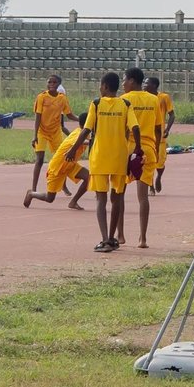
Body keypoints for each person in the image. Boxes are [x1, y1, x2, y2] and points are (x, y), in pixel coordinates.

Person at [84, 71, 139, 253]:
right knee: (117, 198)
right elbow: (135, 127)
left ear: (105, 86)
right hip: (119, 157)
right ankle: (112, 238)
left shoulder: (96, 104)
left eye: (101, 85)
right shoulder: (125, 104)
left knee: (101, 199)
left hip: (99, 157)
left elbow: (86, 130)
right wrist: (138, 148)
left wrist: (72, 149)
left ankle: (104, 239)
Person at [119, 68, 163, 249]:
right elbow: (158, 128)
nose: (123, 83)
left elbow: (123, 128)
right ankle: (142, 238)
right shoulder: (154, 99)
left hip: (128, 148)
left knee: (119, 193)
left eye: (124, 80)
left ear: (131, 81)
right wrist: (156, 148)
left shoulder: (123, 99)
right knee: (143, 197)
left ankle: (120, 235)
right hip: (148, 149)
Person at [27, 118, 92, 210]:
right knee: (50, 198)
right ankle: (31, 194)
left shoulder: (85, 134)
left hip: (70, 165)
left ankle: (73, 202)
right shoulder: (78, 134)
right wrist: (92, 142)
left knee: (89, 177)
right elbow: (78, 141)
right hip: (57, 167)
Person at [29, 74, 72, 195]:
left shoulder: (62, 98)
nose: (51, 84)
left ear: (59, 84)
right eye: (49, 82)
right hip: (42, 132)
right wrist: (35, 135)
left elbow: (69, 114)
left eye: (54, 82)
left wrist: (84, 120)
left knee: (61, 159)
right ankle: (33, 188)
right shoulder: (41, 97)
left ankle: (63, 185)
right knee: (40, 160)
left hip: (55, 132)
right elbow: (38, 116)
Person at [149, 75, 175, 193]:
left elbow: (172, 115)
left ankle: (158, 176)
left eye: (147, 83)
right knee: (148, 162)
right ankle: (150, 186)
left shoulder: (164, 97)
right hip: (148, 136)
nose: (144, 85)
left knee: (160, 162)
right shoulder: (144, 98)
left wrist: (167, 129)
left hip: (160, 135)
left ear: (154, 85)